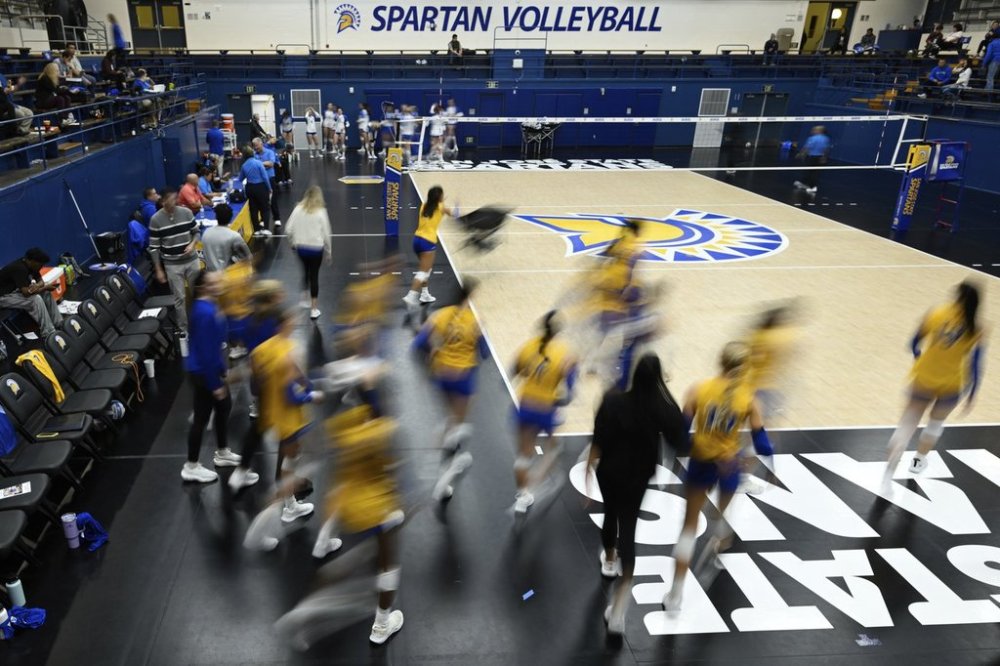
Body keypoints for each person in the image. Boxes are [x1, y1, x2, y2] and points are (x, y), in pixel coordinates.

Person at [664, 342, 774, 612]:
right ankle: (719, 546)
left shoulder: (698, 390)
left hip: (700, 463)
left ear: (720, 362)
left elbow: (680, 435)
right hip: (729, 467)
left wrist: (697, 448)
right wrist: (762, 463)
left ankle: (675, 595)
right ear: (744, 368)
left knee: (688, 528)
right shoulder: (749, 400)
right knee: (723, 515)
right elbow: (763, 445)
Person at [584, 353, 686, 634]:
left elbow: (598, 438)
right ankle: (618, 611)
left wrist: (589, 469)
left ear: (634, 375)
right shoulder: (663, 407)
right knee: (628, 529)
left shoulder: (613, 400)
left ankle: (609, 560)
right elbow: (681, 441)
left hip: (609, 472)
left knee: (610, 514)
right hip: (637, 478)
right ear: (658, 378)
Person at [883, 282, 984, 488]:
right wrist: (973, 393)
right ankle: (919, 460)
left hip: (924, 378)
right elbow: (976, 364)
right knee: (935, 424)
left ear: (957, 295)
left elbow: (914, 343)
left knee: (907, 424)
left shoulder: (936, 314)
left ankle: (889, 471)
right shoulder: (977, 327)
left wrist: (918, 356)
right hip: (952, 384)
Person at [413, 279, 486, 501]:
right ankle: (443, 477)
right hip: (463, 378)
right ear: (469, 298)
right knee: (457, 426)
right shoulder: (474, 320)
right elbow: (484, 353)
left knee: (450, 420)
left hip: (442, 374)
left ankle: (437, 459)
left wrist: (433, 352)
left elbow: (419, 344)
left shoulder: (440, 315)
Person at [251, 307, 321, 522]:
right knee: (291, 459)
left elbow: (257, 374)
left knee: (291, 456)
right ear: (283, 325)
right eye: (291, 319)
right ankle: (286, 505)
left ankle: (285, 497)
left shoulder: (267, 348)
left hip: (275, 412)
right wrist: (312, 396)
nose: (295, 322)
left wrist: (307, 385)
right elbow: (291, 395)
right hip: (288, 417)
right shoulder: (287, 352)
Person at [182, 270, 247, 483]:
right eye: (214, 282)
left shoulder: (211, 306)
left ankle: (222, 452)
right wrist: (214, 383)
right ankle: (191, 466)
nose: (220, 283)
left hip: (210, 369)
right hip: (202, 373)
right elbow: (206, 351)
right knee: (201, 419)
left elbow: (215, 345)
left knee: (224, 407)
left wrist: (222, 368)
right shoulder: (205, 312)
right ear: (203, 287)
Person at [511, 311, 577, 513]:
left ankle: (522, 495)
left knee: (523, 456)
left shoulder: (528, 347)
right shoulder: (564, 354)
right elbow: (569, 392)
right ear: (558, 331)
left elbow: (516, 371)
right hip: (545, 409)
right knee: (554, 448)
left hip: (525, 405)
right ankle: (539, 480)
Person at [148, 188, 200, 333]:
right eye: (171, 199)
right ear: (163, 201)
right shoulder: (155, 220)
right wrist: (158, 269)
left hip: (192, 260)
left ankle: (200, 325)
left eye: (175, 198)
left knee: (197, 294)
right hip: (172, 265)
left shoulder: (186, 212)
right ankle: (184, 330)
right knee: (179, 299)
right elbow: (154, 248)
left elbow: (196, 232)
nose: (175, 201)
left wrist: (192, 244)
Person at [402, 185, 453, 314]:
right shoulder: (441, 207)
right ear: (439, 197)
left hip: (417, 240)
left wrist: (440, 201)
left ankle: (425, 294)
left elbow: (435, 206)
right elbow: (453, 214)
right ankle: (411, 295)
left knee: (426, 269)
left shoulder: (424, 205)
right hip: (428, 242)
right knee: (423, 272)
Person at [286, 185, 332, 321]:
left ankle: (303, 298)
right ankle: (314, 309)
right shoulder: (321, 211)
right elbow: (327, 233)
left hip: (301, 248)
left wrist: (292, 242)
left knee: (305, 271)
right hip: (316, 249)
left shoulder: (297, 209)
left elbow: (288, 229)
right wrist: (329, 251)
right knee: (314, 276)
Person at [0, 248, 63, 338]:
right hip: (2, 297)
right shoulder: (19, 268)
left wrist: (37, 286)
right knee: (35, 299)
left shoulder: (31, 265)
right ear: (32, 261)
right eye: (41, 264)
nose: (42, 267)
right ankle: (49, 333)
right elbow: (26, 293)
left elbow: (41, 281)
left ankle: (59, 323)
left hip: (12, 292)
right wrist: (43, 287)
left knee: (46, 293)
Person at [201, 203, 251, 271]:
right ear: (231, 217)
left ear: (216, 217)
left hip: (210, 274)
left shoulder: (206, 232)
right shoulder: (234, 236)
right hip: (228, 274)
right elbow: (248, 257)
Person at [239, 144, 272, 236]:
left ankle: (256, 230)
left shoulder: (244, 165)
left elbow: (240, 179)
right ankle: (266, 229)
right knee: (265, 208)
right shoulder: (259, 163)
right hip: (260, 187)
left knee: (253, 209)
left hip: (250, 188)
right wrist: (269, 188)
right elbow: (265, 177)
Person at [252, 137, 281, 227]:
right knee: (262, 200)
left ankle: (277, 218)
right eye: (254, 146)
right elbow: (254, 166)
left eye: (257, 146)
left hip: (270, 178)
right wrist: (265, 164)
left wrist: (259, 164)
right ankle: (263, 219)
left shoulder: (270, 152)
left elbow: (271, 164)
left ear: (261, 144)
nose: (256, 148)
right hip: (260, 180)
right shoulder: (254, 154)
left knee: (273, 199)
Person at [793, 125, 830, 195]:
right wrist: (824, 157)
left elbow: (807, 147)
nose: (812, 131)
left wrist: (801, 154)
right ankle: (809, 185)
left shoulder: (812, 138)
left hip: (812, 157)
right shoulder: (826, 138)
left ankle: (808, 185)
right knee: (815, 172)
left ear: (819, 131)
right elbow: (826, 149)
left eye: (814, 130)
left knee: (808, 171)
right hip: (820, 157)